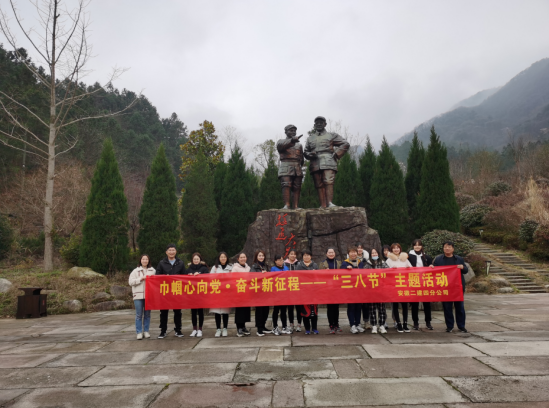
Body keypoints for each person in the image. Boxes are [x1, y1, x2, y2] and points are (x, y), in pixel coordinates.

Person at [304, 116, 350, 208]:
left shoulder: (331, 135)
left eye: (321, 122)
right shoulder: (310, 138)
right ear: (314, 125)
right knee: (318, 184)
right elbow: (305, 152)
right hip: (315, 162)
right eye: (317, 123)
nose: (319, 124)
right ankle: (323, 205)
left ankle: (329, 203)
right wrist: (310, 154)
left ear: (325, 124)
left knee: (329, 181)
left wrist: (337, 153)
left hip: (328, 161)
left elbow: (345, 144)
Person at [430, 241, 468, 333]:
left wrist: (462, 267)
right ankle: (449, 326)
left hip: (457, 288)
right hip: (445, 288)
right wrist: (431, 267)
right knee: (447, 308)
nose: (447, 248)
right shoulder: (438, 259)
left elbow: (466, 270)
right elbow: (434, 270)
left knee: (460, 308)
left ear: (453, 249)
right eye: (445, 247)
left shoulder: (459, 259)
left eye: (449, 247)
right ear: (443, 248)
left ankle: (461, 326)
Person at [155, 244, 186, 339]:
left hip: (177, 290)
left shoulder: (180, 262)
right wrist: (165, 277)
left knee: (178, 312)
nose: (171, 252)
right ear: (166, 252)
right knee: (164, 312)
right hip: (165, 291)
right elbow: (157, 276)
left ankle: (178, 330)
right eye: (170, 250)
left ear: (176, 252)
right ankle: (163, 331)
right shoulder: (162, 263)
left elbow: (184, 276)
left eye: (173, 250)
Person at [386, 243, 412, 333]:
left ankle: (405, 323)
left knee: (405, 306)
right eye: (394, 248)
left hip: (404, 285)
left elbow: (412, 271)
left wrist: (409, 268)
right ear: (391, 250)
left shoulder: (405, 259)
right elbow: (385, 272)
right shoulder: (389, 260)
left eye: (398, 248)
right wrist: (391, 269)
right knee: (395, 306)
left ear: (400, 249)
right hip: (394, 286)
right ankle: (398, 323)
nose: (396, 249)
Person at [341, 247, 368, 334]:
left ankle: (358, 324)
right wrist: (346, 269)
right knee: (351, 307)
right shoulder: (345, 263)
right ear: (348, 254)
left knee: (358, 307)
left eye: (354, 252)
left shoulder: (360, 263)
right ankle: (352, 325)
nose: (353, 254)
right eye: (351, 252)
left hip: (359, 289)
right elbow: (340, 274)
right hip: (350, 289)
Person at [277, 124, 304, 209]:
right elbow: (281, 148)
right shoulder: (281, 141)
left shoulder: (299, 145)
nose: (293, 132)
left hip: (297, 166)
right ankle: (287, 205)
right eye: (291, 130)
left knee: (297, 186)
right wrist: (292, 141)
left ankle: (295, 206)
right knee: (286, 185)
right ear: (286, 132)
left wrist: (299, 165)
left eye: (294, 131)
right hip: (286, 165)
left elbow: (301, 158)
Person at [408, 239, 434, 331]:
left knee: (427, 304)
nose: (417, 246)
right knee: (414, 304)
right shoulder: (409, 256)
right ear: (413, 246)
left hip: (425, 282)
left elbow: (431, 266)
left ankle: (428, 322)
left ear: (422, 246)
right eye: (415, 245)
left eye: (419, 245)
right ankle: (415, 322)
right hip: (414, 282)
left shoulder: (426, 256)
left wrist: (431, 266)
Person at [128, 254, 155, 340]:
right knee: (139, 315)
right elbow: (130, 282)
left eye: (146, 259)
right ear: (140, 260)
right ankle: (139, 332)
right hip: (138, 295)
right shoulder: (135, 271)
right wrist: (140, 279)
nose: (145, 261)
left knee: (147, 315)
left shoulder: (152, 270)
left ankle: (146, 331)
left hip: (148, 296)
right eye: (143, 259)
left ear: (148, 261)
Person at [296, 249, 319, 334]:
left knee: (314, 310)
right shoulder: (299, 266)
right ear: (302, 257)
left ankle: (314, 328)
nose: (306, 257)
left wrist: (315, 274)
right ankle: (307, 329)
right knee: (305, 311)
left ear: (311, 256)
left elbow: (319, 277)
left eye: (308, 255)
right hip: (303, 291)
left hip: (314, 291)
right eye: (305, 255)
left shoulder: (315, 265)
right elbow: (297, 277)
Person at [319, 247, 342, 334]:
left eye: (332, 252)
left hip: (337, 288)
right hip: (328, 288)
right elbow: (319, 275)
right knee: (330, 307)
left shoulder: (339, 263)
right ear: (326, 254)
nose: (331, 254)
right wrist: (324, 272)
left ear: (334, 253)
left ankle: (336, 324)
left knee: (336, 307)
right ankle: (331, 325)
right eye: (329, 252)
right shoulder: (322, 264)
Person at [186, 252, 209, 337]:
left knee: (200, 312)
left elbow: (207, 278)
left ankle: (200, 329)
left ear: (200, 260)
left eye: (197, 259)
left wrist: (200, 275)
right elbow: (184, 280)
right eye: (194, 259)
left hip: (201, 294)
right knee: (193, 312)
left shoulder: (204, 268)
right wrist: (188, 276)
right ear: (192, 260)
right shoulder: (189, 269)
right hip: (192, 294)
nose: (196, 260)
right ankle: (194, 329)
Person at [210, 252, 232, 337]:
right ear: (219, 258)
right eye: (221, 257)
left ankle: (225, 328)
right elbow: (210, 278)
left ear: (227, 258)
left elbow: (233, 279)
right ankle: (218, 329)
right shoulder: (215, 268)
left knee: (225, 312)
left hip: (226, 293)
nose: (223, 258)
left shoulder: (230, 268)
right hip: (217, 292)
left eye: (224, 257)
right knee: (217, 312)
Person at [367, 249, 388, 334]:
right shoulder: (367, 264)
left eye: (375, 252)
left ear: (378, 254)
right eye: (372, 253)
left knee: (382, 309)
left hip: (381, 290)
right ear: (370, 254)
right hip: (371, 290)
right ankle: (374, 325)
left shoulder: (383, 263)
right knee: (372, 309)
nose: (374, 254)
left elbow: (388, 273)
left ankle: (382, 325)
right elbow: (364, 276)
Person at [251, 250, 271, 336]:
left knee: (266, 310)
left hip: (266, 291)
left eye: (262, 256)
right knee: (259, 311)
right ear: (256, 257)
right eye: (259, 256)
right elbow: (252, 277)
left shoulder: (266, 266)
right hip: (258, 292)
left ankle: (263, 326)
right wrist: (260, 274)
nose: (261, 257)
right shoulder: (254, 266)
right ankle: (259, 328)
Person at [232, 252, 252, 337]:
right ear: (238, 259)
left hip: (247, 293)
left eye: (244, 257)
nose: (243, 259)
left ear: (246, 258)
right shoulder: (235, 268)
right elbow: (233, 280)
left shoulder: (248, 268)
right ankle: (239, 328)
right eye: (241, 257)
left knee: (246, 310)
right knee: (239, 311)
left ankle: (243, 327)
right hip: (238, 293)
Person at [270, 254, 291, 335]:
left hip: (284, 293)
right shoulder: (273, 269)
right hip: (276, 293)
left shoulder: (286, 268)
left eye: (282, 260)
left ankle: (284, 326)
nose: (281, 261)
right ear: (275, 261)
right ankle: (275, 327)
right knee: (276, 311)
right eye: (279, 260)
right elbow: (272, 279)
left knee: (284, 311)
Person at [285, 249, 302, 332]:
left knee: (299, 308)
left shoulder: (299, 264)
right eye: (291, 254)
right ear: (288, 255)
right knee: (290, 308)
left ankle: (299, 324)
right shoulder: (284, 264)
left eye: (294, 254)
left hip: (298, 288)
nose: (293, 255)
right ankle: (291, 324)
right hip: (288, 289)